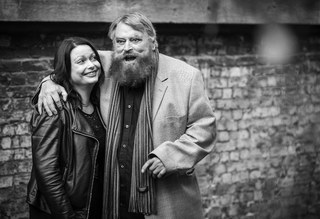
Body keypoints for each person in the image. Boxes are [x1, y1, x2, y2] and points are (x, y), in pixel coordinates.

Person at [35, 12, 217, 219]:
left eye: (135, 39)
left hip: (163, 199)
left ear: (153, 41)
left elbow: (205, 129)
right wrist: (48, 82)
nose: (127, 46)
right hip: (112, 198)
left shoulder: (186, 76)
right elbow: (70, 66)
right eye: (120, 41)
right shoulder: (102, 63)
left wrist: (170, 156)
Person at [26, 37, 106, 219]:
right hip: (61, 209)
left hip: (92, 203)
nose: (92, 64)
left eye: (94, 58)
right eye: (81, 61)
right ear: (66, 69)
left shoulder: (101, 104)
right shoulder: (53, 107)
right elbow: (47, 172)